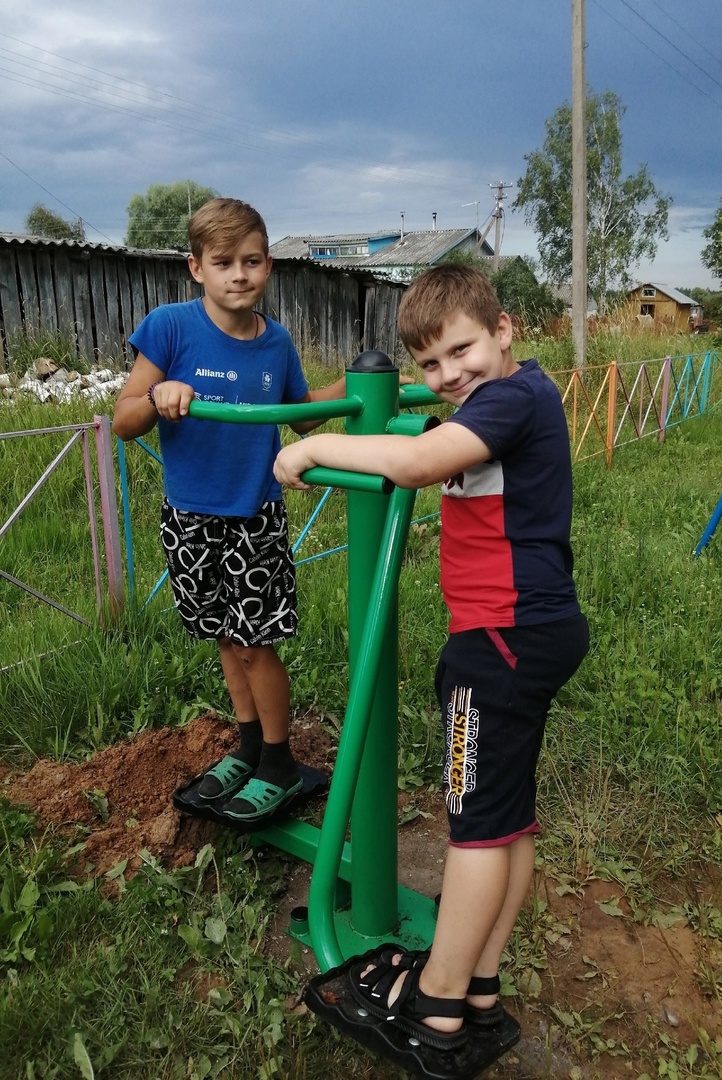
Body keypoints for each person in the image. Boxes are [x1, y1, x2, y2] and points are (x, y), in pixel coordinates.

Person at [274, 264, 589, 1050]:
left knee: (476, 825)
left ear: (504, 329)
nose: (449, 375)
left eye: (461, 351)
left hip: (499, 641)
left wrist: (311, 453)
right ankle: (477, 981)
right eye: (430, 365)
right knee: (509, 822)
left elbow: (415, 463)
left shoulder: (511, 399)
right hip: (530, 634)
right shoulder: (512, 399)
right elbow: (424, 444)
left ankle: (438, 1000)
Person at [112, 197, 348, 823]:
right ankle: (248, 749)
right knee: (224, 637)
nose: (239, 274)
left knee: (255, 645)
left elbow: (301, 415)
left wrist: (352, 386)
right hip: (189, 516)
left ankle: (279, 761)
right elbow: (123, 419)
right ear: (197, 268)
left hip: (253, 514)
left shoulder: (276, 344)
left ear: (269, 266)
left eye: (252, 261)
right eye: (224, 262)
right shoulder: (170, 327)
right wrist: (159, 393)